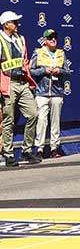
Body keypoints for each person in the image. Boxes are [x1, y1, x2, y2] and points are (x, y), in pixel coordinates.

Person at [0, 11, 39, 166]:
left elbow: (25, 61)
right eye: (14, 22)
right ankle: (9, 154)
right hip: (8, 83)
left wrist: (28, 78)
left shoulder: (21, 39)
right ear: (6, 24)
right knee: (9, 119)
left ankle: (26, 151)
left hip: (22, 82)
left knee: (34, 114)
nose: (17, 24)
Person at [30, 29, 69, 159]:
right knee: (41, 120)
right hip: (42, 92)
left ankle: (54, 148)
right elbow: (31, 71)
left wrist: (60, 71)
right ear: (45, 40)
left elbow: (68, 72)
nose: (53, 39)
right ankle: (39, 149)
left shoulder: (61, 53)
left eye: (55, 37)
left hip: (57, 92)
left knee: (55, 121)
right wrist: (44, 70)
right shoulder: (38, 52)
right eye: (50, 37)